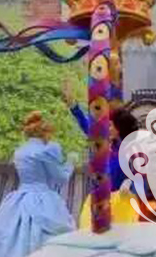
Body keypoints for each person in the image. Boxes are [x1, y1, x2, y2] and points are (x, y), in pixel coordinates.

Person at [0, 111, 77, 257]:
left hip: (20, 198)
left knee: (11, 239)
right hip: (43, 199)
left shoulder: (19, 151)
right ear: (45, 132)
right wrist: (70, 161)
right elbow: (60, 178)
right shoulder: (46, 150)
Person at [61, 82, 142, 228]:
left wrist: (129, 186)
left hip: (120, 205)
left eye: (110, 125)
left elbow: (140, 177)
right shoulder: (105, 144)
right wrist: (73, 106)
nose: (106, 127)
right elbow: (87, 126)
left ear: (118, 129)